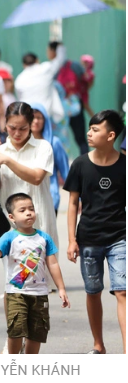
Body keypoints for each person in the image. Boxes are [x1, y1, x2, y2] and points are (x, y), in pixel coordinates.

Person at [64, 110, 126, 354]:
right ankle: (98, 345)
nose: (89, 133)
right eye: (89, 129)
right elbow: (71, 204)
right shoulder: (80, 164)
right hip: (88, 239)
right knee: (93, 291)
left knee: (122, 290)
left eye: (95, 130)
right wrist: (71, 240)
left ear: (111, 135)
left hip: (119, 238)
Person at [0, 193, 70, 354]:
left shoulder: (43, 238)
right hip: (16, 293)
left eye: (31, 209)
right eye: (23, 210)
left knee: (37, 333)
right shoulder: (9, 237)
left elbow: (53, 263)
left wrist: (61, 288)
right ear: (12, 217)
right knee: (16, 331)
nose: (29, 212)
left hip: (40, 294)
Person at [0, 102, 59, 253]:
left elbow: (37, 177)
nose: (17, 133)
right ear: (5, 123)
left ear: (31, 125)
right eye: (12, 128)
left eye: (23, 128)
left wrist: (7, 160)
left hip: (39, 221)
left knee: (44, 273)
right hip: (11, 226)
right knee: (16, 275)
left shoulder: (43, 147)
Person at [30, 103, 69, 215]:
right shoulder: (21, 143)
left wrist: (78, 198)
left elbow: (66, 173)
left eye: (39, 117)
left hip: (50, 198)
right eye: (33, 117)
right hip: (26, 201)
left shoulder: (54, 143)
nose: (36, 121)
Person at [15, 42, 66, 124]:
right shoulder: (45, 69)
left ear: (24, 65)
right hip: (45, 115)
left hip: (28, 116)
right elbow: (60, 59)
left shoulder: (19, 80)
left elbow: (19, 98)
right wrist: (60, 46)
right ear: (37, 60)